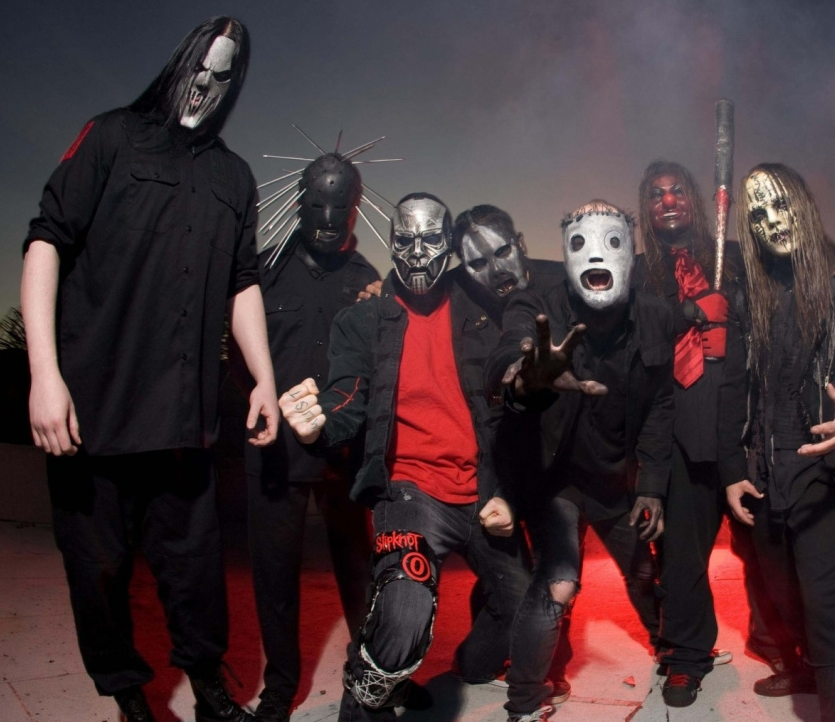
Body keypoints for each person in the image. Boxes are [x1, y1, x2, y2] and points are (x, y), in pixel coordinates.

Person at [21, 16, 275, 722]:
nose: (205, 85)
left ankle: (209, 686)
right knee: (98, 567)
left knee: (196, 570)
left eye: (223, 76)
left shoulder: (234, 176)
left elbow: (243, 282)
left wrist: (263, 378)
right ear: (179, 62)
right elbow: (45, 242)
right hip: (93, 409)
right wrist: (45, 375)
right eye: (199, 66)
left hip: (183, 419)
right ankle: (127, 691)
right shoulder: (110, 136)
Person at [279, 194, 533, 722]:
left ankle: (473, 664)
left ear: (450, 245)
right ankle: (362, 706)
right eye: (405, 241)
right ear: (391, 243)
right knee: (405, 610)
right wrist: (318, 423)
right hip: (410, 493)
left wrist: (508, 490)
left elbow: (507, 411)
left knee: (529, 607)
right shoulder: (363, 320)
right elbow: (348, 397)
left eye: (430, 240)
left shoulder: (482, 309)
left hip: (482, 489)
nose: (418, 254)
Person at [487, 200, 674, 722]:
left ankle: (672, 650)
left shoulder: (654, 316)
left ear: (631, 253)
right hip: (556, 481)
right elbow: (509, 350)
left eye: (612, 242)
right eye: (580, 244)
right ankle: (525, 698)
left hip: (615, 479)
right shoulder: (538, 302)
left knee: (642, 570)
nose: (596, 255)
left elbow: (660, 405)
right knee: (558, 581)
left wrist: (652, 485)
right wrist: (523, 375)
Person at [725, 164, 835, 722]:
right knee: (783, 594)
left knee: (826, 603)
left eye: (780, 205)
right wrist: (733, 468)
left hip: (830, 468)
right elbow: (734, 387)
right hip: (766, 472)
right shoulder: (752, 294)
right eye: (758, 214)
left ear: (802, 203)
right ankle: (805, 670)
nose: (772, 221)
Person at [243, 153, 379, 722]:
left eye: (340, 208)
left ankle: (377, 675)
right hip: (274, 447)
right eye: (317, 206)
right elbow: (236, 347)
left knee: (360, 568)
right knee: (275, 569)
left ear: (356, 210)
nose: (328, 220)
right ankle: (280, 687)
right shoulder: (264, 270)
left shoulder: (367, 279)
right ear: (299, 204)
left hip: (342, 450)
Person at [633, 160, 746, 705]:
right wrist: (687, 311)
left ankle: (784, 639)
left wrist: (732, 311)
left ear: (695, 199)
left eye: (677, 190)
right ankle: (687, 655)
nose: (668, 201)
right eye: (656, 195)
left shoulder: (733, 258)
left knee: (766, 545)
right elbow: (640, 339)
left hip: (739, 417)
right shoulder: (639, 274)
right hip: (677, 421)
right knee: (681, 552)